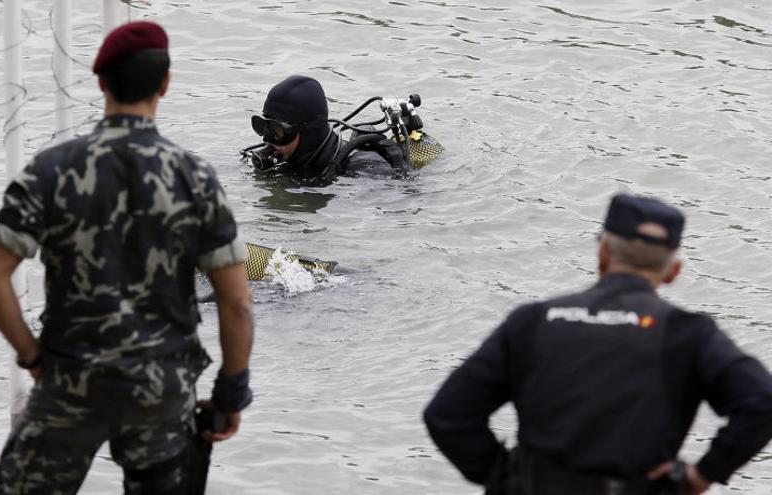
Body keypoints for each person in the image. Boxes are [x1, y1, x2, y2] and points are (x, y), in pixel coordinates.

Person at [0, 21, 254, 494]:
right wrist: (230, 394)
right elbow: (237, 304)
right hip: (162, 392)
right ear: (165, 85)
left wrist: (33, 357)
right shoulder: (196, 178)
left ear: (101, 81)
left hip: (70, 384)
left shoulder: (51, 170)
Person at [423, 194, 772, 495]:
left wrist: (502, 476)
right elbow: (761, 402)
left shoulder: (533, 321)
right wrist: (703, 474)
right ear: (673, 271)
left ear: (602, 253)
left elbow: (448, 415)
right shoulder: (688, 333)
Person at [248, 75, 410, 186]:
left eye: (277, 131)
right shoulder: (293, 157)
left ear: (307, 133)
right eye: (263, 126)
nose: (266, 139)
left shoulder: (364, 170)